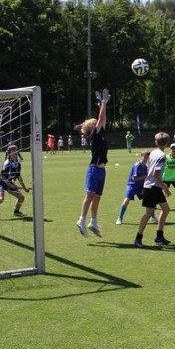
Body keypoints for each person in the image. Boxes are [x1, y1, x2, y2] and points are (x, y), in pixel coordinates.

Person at [76, 89, 110, 238]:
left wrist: (101, 104)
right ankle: (81, 220)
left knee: (97, 197)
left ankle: (93, 222)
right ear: (92, 127)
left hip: (101, 171)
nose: (99, 122)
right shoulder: (94, 135)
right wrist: (103, 103)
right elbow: (102, 117)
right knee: (90, 195)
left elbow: (103, 118)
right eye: (95, 122)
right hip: (94, 170)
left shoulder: (99, 133)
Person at [134, 132, 172, 248]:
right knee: (149, 213)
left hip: (153, 186)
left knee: (166, 209)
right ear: (167, 143)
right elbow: (156, 174)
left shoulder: (154, 152)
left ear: (156, 142)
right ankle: (138, 238)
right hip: (152, 187)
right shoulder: (161, 156)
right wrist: (165, 187)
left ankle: (159, 236)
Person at [0, 144, 30, 220]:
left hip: (9, 183)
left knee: (21, 198)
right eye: (13, 150)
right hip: (1, 182)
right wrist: (10, 185)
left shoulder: (18, 164)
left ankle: (16, 212)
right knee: (1, 199)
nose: (15, 151)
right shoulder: (7, 163)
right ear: (9, 153)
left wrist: (24, 187)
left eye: (16, 149)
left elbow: (19, 176)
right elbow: (2, 176)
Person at [116, 150, 151, 225]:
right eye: (145, 156)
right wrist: (146, 176)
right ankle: (119, 218)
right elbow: (135, 179)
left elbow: (146, 179)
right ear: (141, 156)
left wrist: (144, 188)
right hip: (132, 185)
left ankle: (152, 216)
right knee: (126, 201)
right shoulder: (137, 165)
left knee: (150, 200)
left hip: (141, 186)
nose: (146, 158)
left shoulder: (146, 167)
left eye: (147, 157)